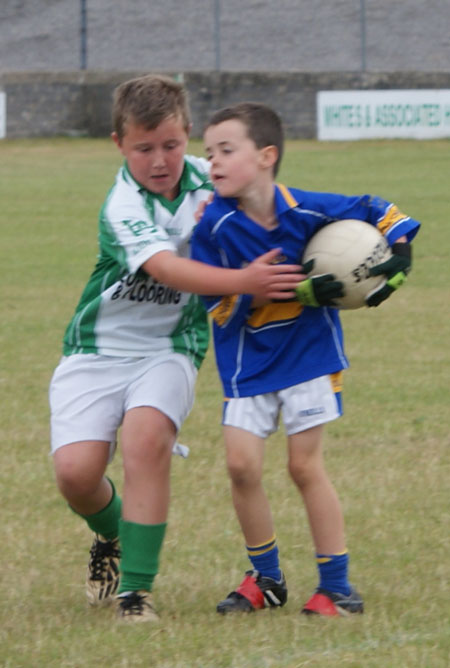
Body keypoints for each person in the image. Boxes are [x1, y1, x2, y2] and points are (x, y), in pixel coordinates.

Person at [49, 78, 303, 624]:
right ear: (119, 144)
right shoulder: (122, 204)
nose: (159, 160)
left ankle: (135, 595)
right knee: (75, 474)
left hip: (171, 345)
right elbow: (165, 268)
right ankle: (110, 534)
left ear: (186, 133)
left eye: (169, 144)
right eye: (143, 149)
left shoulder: (212, 178)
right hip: (97, 347)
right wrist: (243, 280)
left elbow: (275, 203)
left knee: (146, 442)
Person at [191, 102, 420, 616]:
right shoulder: (215, 228)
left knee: (303, 466)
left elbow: (380, 211)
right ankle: (267, 580)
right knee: (241, 466)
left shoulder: (311, 209)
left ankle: (336, 586)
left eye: (227, 151)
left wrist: (400, 252)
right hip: (248, 364)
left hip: (309, 357)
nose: (215, 163)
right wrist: (255, 288)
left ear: (266, 155)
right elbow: (215, 302)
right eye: (210, 154)